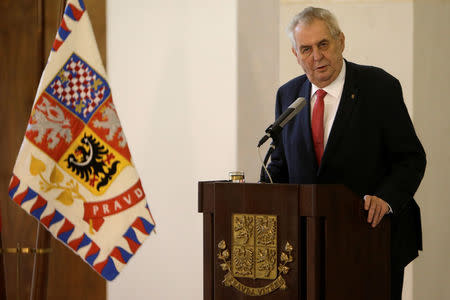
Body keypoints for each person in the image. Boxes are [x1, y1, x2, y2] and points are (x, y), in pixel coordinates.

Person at [261, 7, 426, 300]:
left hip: (371, 238)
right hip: (308, 247)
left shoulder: (379, 87)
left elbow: (410, 158)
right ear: (295, 54)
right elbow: (281, 167)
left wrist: (386, 198)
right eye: (306, 49)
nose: (316, 56)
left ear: (341, 41)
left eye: (323, 44)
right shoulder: (288, 96)